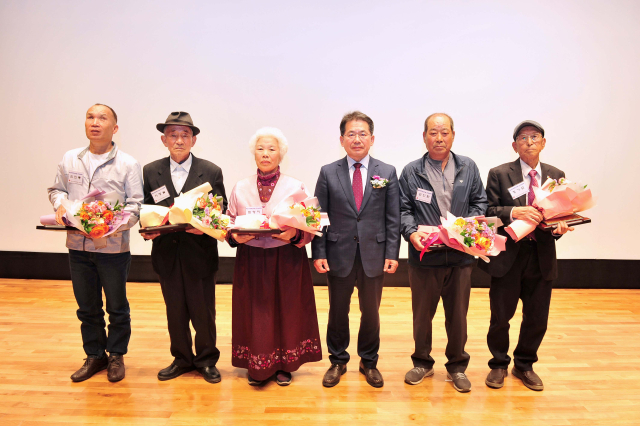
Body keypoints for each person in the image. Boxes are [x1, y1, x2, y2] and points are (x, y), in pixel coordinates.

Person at [47, 104, 143, 382]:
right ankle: (94, 355)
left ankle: (115, 355)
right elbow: (57, 190)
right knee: (86, 307)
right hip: (77, 246)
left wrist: (112, 225)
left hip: (112, 248)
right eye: (90, 117)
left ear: (114, 129)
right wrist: (60, 205)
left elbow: (136, 205)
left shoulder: (128, 164)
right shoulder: (70, 159)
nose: (95, 122)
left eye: (102, 118)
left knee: (116, 306)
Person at [479, 120, 573, 391]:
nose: (529, 141)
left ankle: (524, 364)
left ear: (543, 143)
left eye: (535, 137)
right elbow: (488, 210)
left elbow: (560, 213)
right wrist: (512, 212)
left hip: (541, 255)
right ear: (514, 145)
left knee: (537, 317)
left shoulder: (556, 174)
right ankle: (498, 365)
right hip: (509, 255)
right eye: (523, 138)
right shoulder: (499, 173)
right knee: (500, 316)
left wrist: (561, 228)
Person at [226, 127, 322, 386]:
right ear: (253, 154)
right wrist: (235, 237)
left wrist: (292, 235)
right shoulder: (240, 187)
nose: (266, 154)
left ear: (281, 154)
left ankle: (284, 365)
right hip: (252, 259)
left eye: (271, 149)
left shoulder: (296, 186)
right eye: (260, 149)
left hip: (287, 259)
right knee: (256, 312)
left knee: (286, 311)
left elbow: (310, 226)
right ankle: (256, 364)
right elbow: (229, 223)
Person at [399, 113, 487, 393]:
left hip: (460, 256)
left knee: (458, 315)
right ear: (424, 136)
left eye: (444, 132)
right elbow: (403, 210)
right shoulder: (411, 171)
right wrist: (411, 233)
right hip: (425, 257)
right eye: (433, 133)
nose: (439, 138)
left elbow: (479, 203)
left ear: (452, 135)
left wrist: (464, 229)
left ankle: (457, 366)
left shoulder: (468, 167)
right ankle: (422, 362)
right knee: (422, 315)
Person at [312, 111, 400, 388]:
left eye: (363, 134)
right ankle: (337, 360)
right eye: (351, 133)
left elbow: (393, 217)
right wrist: (319, 252)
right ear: (341, 139)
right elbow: (319, 215)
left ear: (372, 139)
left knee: (371, 312)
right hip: (338, 253)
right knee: (338, 310)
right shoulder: (328, 172)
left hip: (375, 253)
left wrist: (392, 253)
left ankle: (369, 361)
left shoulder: (386, 172)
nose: (357, 139)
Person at [141, 112, 226, 384]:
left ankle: (206, 360)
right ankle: (181, 358)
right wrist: (149, 227)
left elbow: (218, 211)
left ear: (194, 139)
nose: (179, 140)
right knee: (174, 311)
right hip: (166, 253)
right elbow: (147, 208)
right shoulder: (150, 171)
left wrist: (202, 225)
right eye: (173, 135)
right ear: (164, 140)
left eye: (185, 135)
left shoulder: (211, 171)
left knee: (203, 312)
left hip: (199, 253)